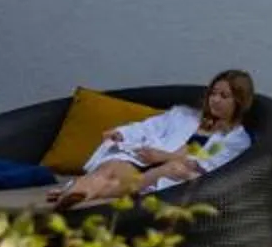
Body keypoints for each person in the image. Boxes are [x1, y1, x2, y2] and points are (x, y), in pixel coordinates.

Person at [49, 70, 256, 209]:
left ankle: (75, 190)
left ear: (239, 102)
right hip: (142, 161)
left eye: (224, 96)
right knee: (110, 170)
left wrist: (163, 157)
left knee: (171, 170)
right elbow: (149, 127)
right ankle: (76, 195)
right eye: (213, 93)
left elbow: (206, 165)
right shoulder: (184, 116)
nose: (215, 100)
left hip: (166, 175)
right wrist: (122, 134)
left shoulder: (234, 139)